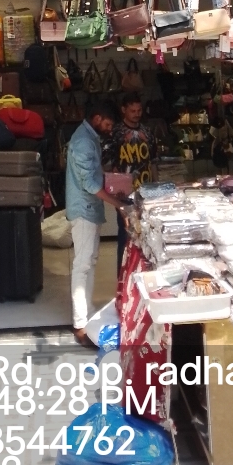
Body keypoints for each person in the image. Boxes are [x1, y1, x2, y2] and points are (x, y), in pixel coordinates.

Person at [65, 99, 126, 347]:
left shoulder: (89, 138)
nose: (110, 129)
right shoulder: (83, 142)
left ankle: (86, 315)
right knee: (82, 265)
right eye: (108, 124)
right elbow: (89, 184)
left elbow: (93, 176)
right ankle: (80, 324)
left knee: (88, 263)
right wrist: (117, 203)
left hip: (89, 209)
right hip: (84, 210)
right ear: (98, 118)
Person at [103, 91, 158, 271]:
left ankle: (141, 272)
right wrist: (113, 187)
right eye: (132, 111)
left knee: (147, 234)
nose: (137, 114)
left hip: (146, 191)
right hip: (124, 194)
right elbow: (106, 163)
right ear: (123, 110)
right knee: (125, 235)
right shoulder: (115, 133)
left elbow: (153, 161)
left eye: (139, 110)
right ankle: (122, 275)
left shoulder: (147, 132)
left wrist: (156, 188)